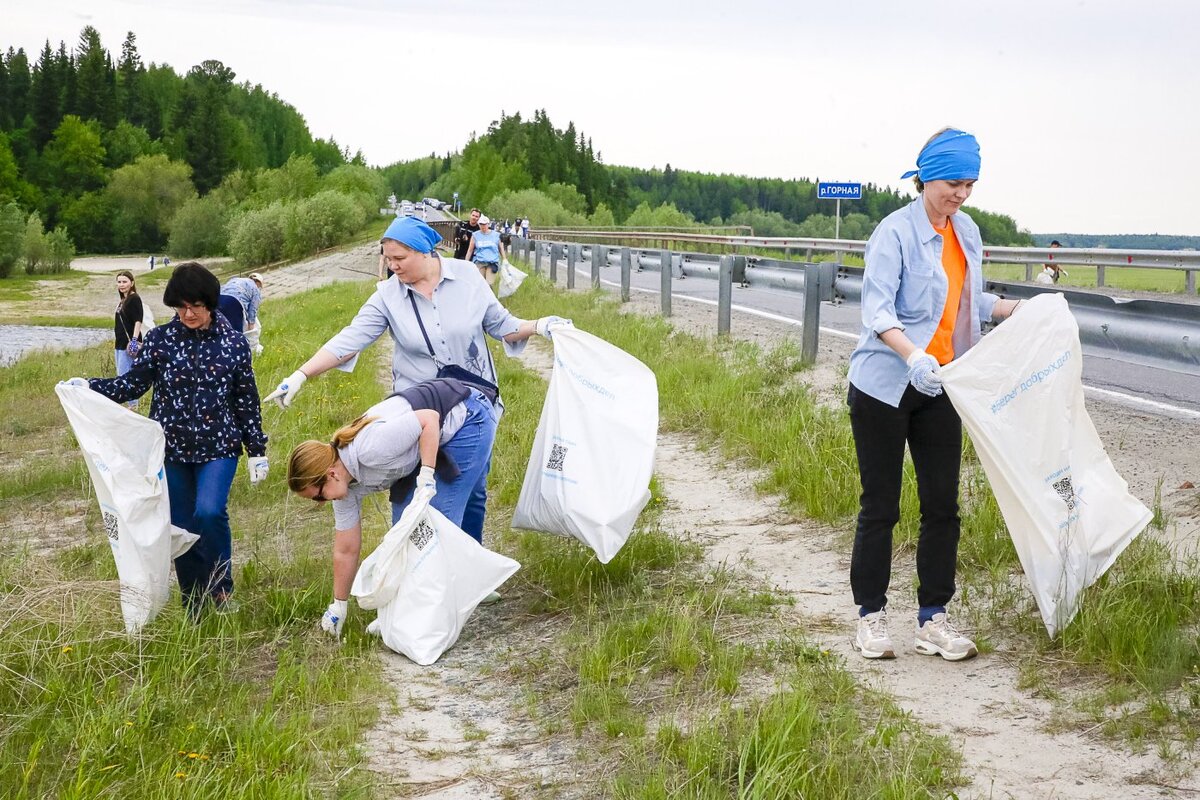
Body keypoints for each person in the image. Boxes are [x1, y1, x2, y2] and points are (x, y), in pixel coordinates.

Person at [264, 216, 567, 630]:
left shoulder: (467, 278)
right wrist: (301, 374)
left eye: (400, 257)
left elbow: (504, 327)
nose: (393, 267)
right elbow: (350, 339)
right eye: (387, 259)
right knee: (413, 500)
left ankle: (467, 576)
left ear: (427, 251)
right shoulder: (387, 296)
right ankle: (416, 588)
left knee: (470, 488)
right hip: (415, 408)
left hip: (472, 400)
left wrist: (542, 326)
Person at [846, 127, 1023, 662]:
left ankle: (933, 619)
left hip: (943, 384)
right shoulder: (893, 233)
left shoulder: (965, 232)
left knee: (943, 507)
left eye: (969, 184)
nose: (961, 194)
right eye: (952, 183)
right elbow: (877, 311)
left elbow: (967, 298)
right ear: (924, 177)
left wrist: (1013, 311)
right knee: (881, 506)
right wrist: (913, 355)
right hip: (884, 385)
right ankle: (871, 617)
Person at [75, 262, 269, 615]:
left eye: (195, 305)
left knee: (209, 513)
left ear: (209, 303)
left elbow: (246, 398)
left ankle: (222, 588)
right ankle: (193, 600)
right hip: (173, 449)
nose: (187, 313)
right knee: (180, 526)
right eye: (180, 306)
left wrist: (256, 449)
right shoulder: (161, 340)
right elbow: (132, 383)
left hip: (219, 447)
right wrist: (89, 387)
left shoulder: (233, 343)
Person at [286, 378, 497, 637]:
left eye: (318, 496)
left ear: (330, 474)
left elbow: (429, 419)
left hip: (468, 416)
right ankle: (413, 608)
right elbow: (346, 549)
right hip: (422, 440)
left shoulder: (370, 449)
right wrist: (338, 604)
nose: (321, 503)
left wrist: (427, 476)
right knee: (403, 535)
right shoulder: (344, 489)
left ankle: (431, 620)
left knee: (433, 531)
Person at [466, 215, 506, 285]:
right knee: (480, 283)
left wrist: (505, 259)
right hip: (479, 261)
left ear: (488, 224)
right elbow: (470, 250)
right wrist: (466, 262)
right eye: (481, 224)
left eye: (484, 224)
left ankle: (490, 295)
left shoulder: (496, 235)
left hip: (492, 262)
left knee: (489, 284)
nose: (483, 226)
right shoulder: (475, 235)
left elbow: (501, 248)